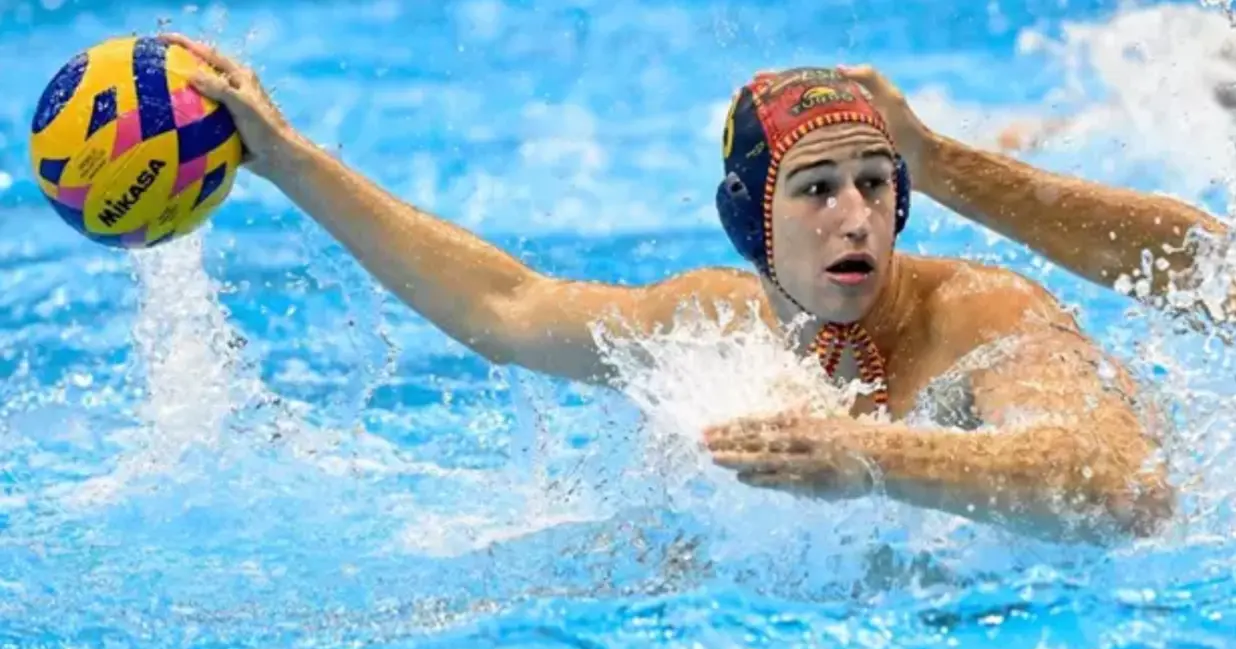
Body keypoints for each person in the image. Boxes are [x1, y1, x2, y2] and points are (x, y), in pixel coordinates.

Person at [161, 33, 1219, 545]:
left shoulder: (983, 315)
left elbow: (1126, 487)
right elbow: (504, 309)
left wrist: (871, 457)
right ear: (751, 223)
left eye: (873, 185)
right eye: (814, 190)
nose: (854, 217)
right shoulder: (717, 317)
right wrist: (288, 160)